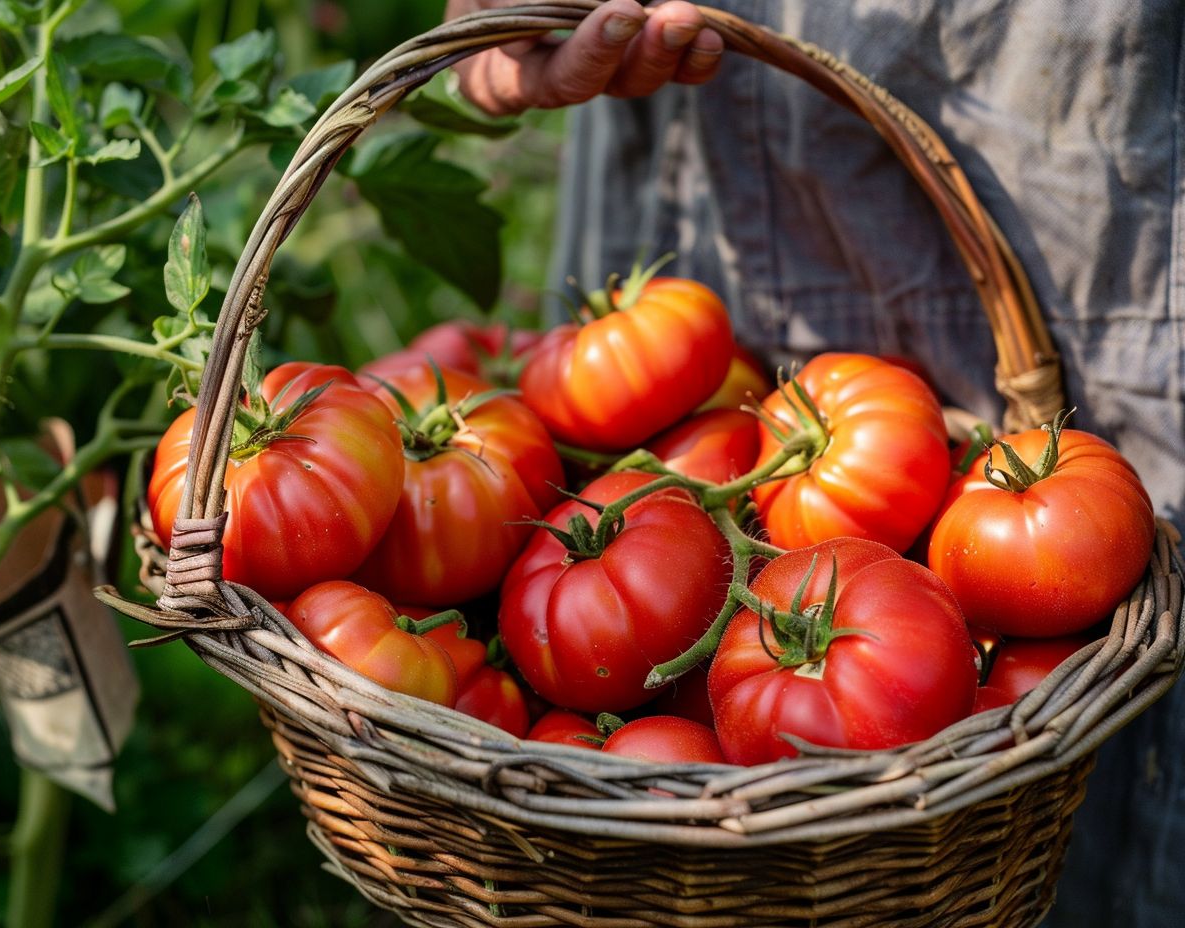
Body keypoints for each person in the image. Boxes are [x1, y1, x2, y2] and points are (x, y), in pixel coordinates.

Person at [444, 2, 1185, 926]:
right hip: (666, 108)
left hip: (1026, 119)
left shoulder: (753, 532)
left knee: (1106, 811)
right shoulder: (726, 508)